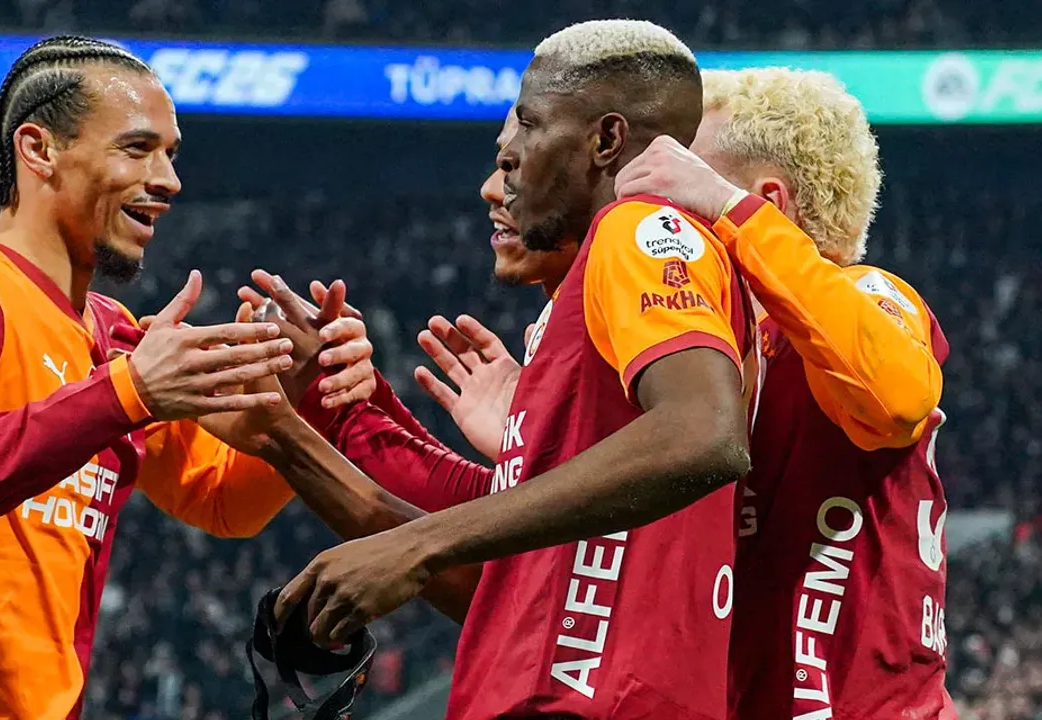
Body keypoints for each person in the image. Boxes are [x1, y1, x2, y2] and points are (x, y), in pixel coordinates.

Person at [0, 36, 374, 720]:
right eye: (137, 149)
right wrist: (126, 392)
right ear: (39, 150)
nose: (169, 180)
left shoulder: (117, 337)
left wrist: (302, 398)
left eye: (170, 155)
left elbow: (223, 502)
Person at [262, 20, 755, 719]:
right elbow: (518, 560)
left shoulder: (639, 231)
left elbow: (706, 432)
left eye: (528, 124)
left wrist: (417, 543)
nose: (505, 162)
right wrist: (341, 417)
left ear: (606, 141)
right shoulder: (585, 312)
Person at [615, 68, 954, 720]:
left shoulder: (866, 294)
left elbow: (898, 396)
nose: (665, 217)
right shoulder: (721, 364)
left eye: (685, 186)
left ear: (765, 202)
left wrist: (729, 210)